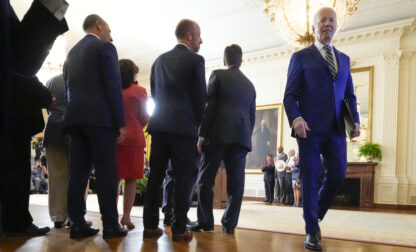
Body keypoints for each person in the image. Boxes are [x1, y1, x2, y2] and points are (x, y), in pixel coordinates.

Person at [283, 7, 360, 251]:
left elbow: (350, 96)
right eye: (322, 21)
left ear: (337, 25)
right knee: (311, 176)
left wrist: (356, 121)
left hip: (337, 129)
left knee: (338, 174)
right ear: (314, 28)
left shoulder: (345, 59)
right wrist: (296, 118)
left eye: (331, 20)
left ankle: (314, 215)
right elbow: (289, 95)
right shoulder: (301, 57)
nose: (327, 24)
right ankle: (312, 231)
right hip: (309, 129)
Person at [0, 0, 68, 237]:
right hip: (11, 118)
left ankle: (15, 221)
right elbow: (19, 61)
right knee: (14, 171)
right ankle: (15, 222)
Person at [63, 14, 127, 239]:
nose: (111, 34)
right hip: (100, 120)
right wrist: (120, 122)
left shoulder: (71, 54)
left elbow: (67, 87)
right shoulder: (105, 48)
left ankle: (77, 224)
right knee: (106, 173)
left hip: (75, 120)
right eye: (108, 29)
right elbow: (112, 86)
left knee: (78, 174)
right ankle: (110, 225)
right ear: (98, 25)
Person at [143, 19, 206, 242]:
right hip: (183, 130)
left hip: (159, 127)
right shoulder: (196, 60)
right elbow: (200, 99)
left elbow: (156, 95)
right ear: (189, 36)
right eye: (199, 35)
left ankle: (150, 226)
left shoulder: (159, 61)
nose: (201, 40)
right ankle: (179, 229)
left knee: (155, 177)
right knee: (183, 179)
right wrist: (199, 128)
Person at [190, 44, 256, 235]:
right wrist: (245, 137)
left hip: (217, 135)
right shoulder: (250, 85)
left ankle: (205, 222)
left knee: (204, 180)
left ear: (224, 61)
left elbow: (209, 106)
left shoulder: (218, 75)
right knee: (236, 185)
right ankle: (229, 225)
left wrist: (202, 135)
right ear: (241, 61)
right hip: (240, 139)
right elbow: (252, 117)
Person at [116, 59, 149, 230]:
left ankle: (111, 215)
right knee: (131, 180)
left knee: (113, 179)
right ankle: (126, 216)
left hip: (113, 138)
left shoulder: (112, 91)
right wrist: (137, 126)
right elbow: (144, 116)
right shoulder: (140, 91)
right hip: (134, 138)